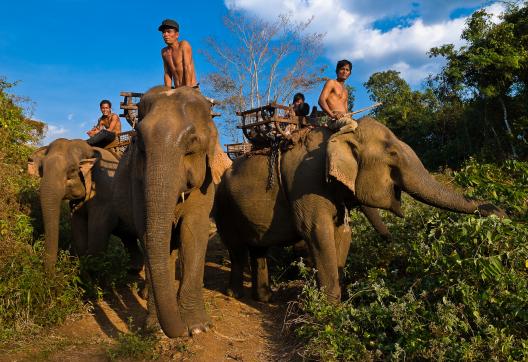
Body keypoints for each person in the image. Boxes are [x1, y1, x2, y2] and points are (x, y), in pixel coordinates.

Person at [318, 59, 357, 132]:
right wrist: (332, 115)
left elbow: (346, 109)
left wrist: (349, 115)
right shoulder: (331, 82)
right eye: (342, 69)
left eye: (347, 70)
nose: (345, 72)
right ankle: (333, 140)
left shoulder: (346, 91)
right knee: (352, 124)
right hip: (333, 120)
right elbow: (321, 100)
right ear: (337, 71)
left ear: (350, 73)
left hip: (344, 119)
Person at [159, 19, 197, 88]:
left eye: (168, 32)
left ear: (177, 35)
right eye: (164, 32)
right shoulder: (164, 52)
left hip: (191, 89)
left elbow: (187, 67)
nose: (165, 35)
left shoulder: (184, 45)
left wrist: (187, 90)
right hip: (177, 91)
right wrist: (167, 92)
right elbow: (167, 73)